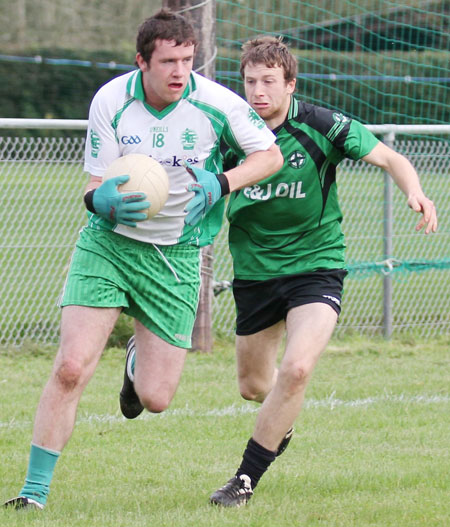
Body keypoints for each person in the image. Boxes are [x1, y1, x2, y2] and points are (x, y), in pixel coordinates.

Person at [3, 11, 282, 511]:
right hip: (108, 245)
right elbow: (93, 187)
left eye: (188, 60)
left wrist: (221, 183)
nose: (180, 72)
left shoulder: (216, 104)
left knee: (156, 398)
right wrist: (99, 202)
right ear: (142, 62)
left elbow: (269, 155)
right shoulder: (112, 100)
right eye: (169, 61)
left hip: (175, 256)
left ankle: (135, 363)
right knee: (70, 367)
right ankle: (33, 493)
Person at [209, 36, 437, 507]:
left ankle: (244, 481)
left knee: (296, 368)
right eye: (250, 81)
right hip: (255, 271)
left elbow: (389, 157)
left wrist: (415, 190)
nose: (258, 91)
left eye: (269, 81)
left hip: (317, 265)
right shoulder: (231, 134)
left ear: (291, 84)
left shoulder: (322, 124)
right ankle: (281, 421)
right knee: (255, 387)